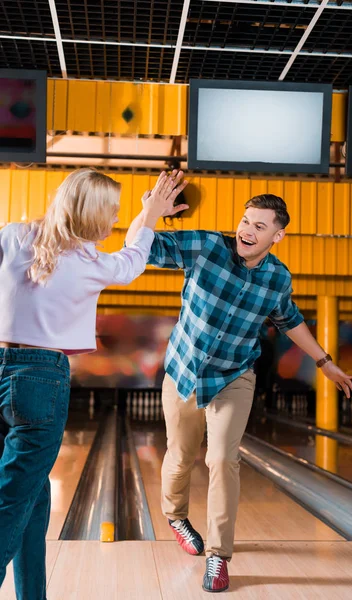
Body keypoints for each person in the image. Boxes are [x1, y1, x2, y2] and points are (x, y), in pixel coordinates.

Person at [125, 172, 352, 593]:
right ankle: (176, 516)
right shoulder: (207, 246)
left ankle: (218, 556)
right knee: (180, 454)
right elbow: (139, 248)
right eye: (246, 221)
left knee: (223, 460)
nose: (247, 230)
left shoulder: (277, 278)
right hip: (184, 372)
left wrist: (325, 363)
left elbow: (291, 321)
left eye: (260, 226)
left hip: (235, 376)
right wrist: (150, 211)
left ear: (277, 236)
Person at [0, 167, 186, 599]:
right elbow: (135, 254)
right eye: (113, 212)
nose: (116, 219)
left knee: (30, 492)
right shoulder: (91, 264)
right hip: (40, 378)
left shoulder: (12, 235)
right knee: (11, 498)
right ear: (95, 213)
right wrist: (152, 214)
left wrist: (148, 210)